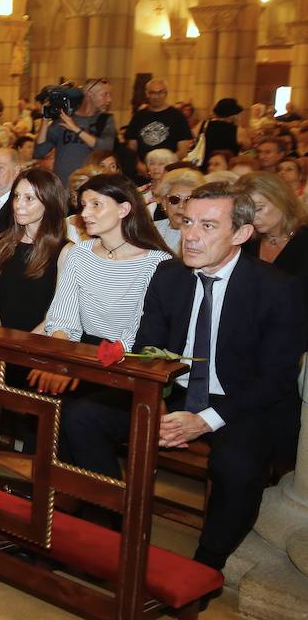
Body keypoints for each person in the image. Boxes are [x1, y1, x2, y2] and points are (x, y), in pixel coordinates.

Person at [62, 183, 306, 572]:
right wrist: (153, 402)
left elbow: (274, 379)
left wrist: (202, 421)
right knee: (80, 416)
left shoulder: (278, 289)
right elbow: (148, 347)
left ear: (241, 233)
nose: (191, 235)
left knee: (237, 465)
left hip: (239, 404)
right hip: (173, 392)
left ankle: (205, 566)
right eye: (189, 222)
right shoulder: (169, 275)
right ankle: (117, 522)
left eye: (208, 226)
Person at [33, 173, 172, 394]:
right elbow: (62, 318)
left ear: (123, 209)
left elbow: (137, 333)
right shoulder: (80, 253)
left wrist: (79, 367)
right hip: (78, 350)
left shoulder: (156, 263)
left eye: (96, 205)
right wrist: (61, 362)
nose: (85, 213)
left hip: (127, 362)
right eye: (83, 205)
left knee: (78, 412)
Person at [0, 168, 73, 334]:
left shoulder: (65, 252)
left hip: (38, 343)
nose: (18, 205)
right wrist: (0, 341)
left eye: (29, 198)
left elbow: (57, 313)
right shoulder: (0, 243)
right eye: (16, 196)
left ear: (49, 202)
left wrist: (24, 345)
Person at [238, 171, 308, 306]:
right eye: (247, 212)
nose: (253, 217)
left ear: (280, 199)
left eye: (259, 209)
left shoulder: (304, 240)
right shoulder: (246, 242)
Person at [34, 78, 117, 183]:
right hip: (64, 187)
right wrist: (45, 120)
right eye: (105, 94)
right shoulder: (65, 118)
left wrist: (75, 128)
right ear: (90, 94)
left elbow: (106, 146)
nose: (109, 100)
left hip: (91, 186)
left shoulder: (105, 119)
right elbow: (39, 151)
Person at [124, 79, 192, 161]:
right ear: (147, 94)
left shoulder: (178, 117)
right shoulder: (138, 116)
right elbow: (132, 147)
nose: (156, 96)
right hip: (143, 168)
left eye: (160, 92)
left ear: (166, 93)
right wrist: (138, 165)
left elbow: (183, 150)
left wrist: (165, 165)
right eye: (152, 93)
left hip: (168, 168)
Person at [152, 168, 203, 253]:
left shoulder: (200, 235)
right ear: (164, 203)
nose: (181, 206)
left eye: (188, 200)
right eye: (174, 199)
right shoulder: (152, 229)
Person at [193, 98, 246, 170]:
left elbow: (192, 138)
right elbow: (247, 147)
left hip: (203, 165)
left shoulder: (203, 124)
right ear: (233, 115)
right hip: (226, 167)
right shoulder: (238, 130)